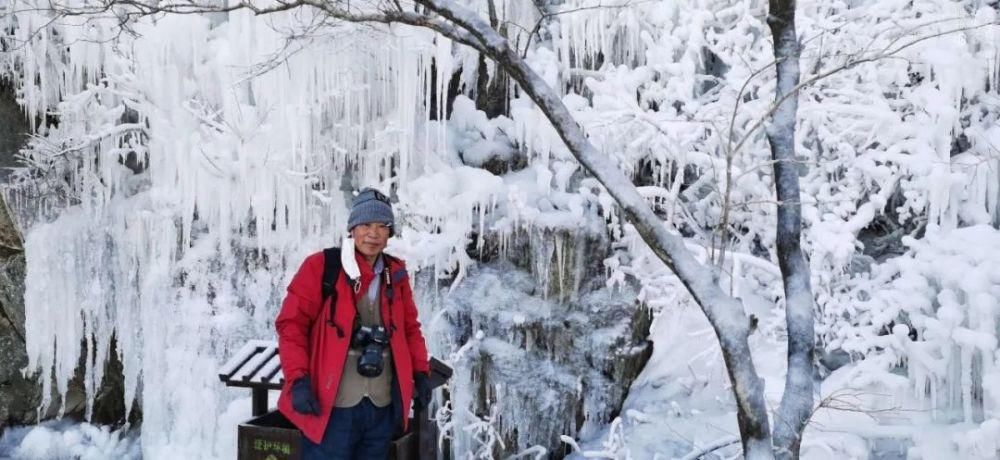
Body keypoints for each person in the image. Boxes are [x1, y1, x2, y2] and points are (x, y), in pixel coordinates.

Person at [275, 188, 432, 460]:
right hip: (331, 403)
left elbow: (410, 330)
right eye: (366, 225)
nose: (373, 233)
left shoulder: (396, 275)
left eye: (382, 226)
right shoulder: (322, 267)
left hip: (381, 404)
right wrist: (298, 380)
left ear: (389, 233)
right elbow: (292, 326)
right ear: (352, 229)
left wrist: (420, 372)